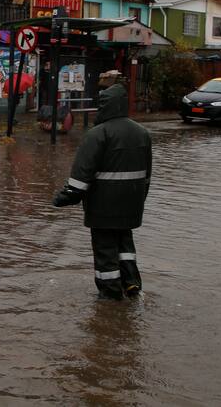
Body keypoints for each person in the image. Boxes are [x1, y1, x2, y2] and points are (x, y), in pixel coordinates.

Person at [52, 74, 152, 300]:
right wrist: (138, 200)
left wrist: (63, 197)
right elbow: (147, 177)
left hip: (103, 208)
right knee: (125, 245)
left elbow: (80, 177)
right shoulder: (142, 133)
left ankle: (110, 295)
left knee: (105, 249)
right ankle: (131, 284)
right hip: (132, 205)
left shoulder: (97, 135)